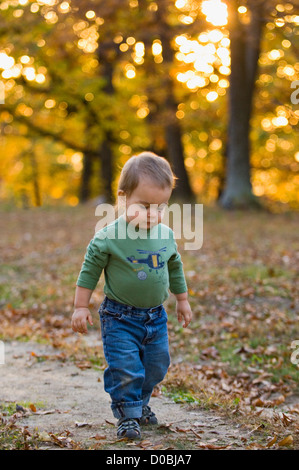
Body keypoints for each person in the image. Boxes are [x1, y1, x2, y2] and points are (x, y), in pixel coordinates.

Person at [71, 151, 193, 440]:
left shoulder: (164, 235)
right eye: (145, 206)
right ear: (123, 198)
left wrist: (183, 299)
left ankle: (141, 404)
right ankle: (127, 414)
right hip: (119, 316)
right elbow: (89, 271)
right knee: (126, 367)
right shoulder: (109, 237)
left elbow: (174, 265)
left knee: (156, 365)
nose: (154, 214)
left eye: (161, 207)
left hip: (156, 316)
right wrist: (80, 306)